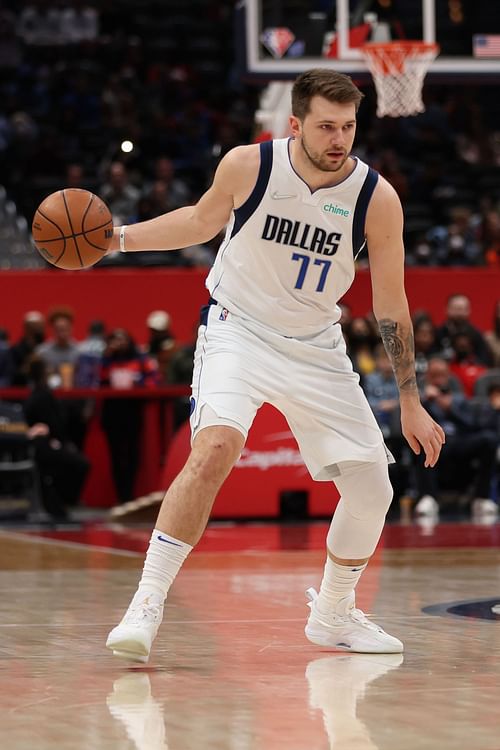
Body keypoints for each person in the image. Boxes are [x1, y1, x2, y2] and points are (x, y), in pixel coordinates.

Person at [105, 68, 444, 662]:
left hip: (316, 345)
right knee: (215, 448)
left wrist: (411, 401)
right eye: (326, 127)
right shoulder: (250, 165)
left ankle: (334, 614)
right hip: (240, 329)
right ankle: (146, 602)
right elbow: (198, 222)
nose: (339, 138)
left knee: (372, 489)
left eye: (348, 126)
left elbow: (391, 306)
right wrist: (117, 239)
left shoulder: (375, 197)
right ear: (295, 125)